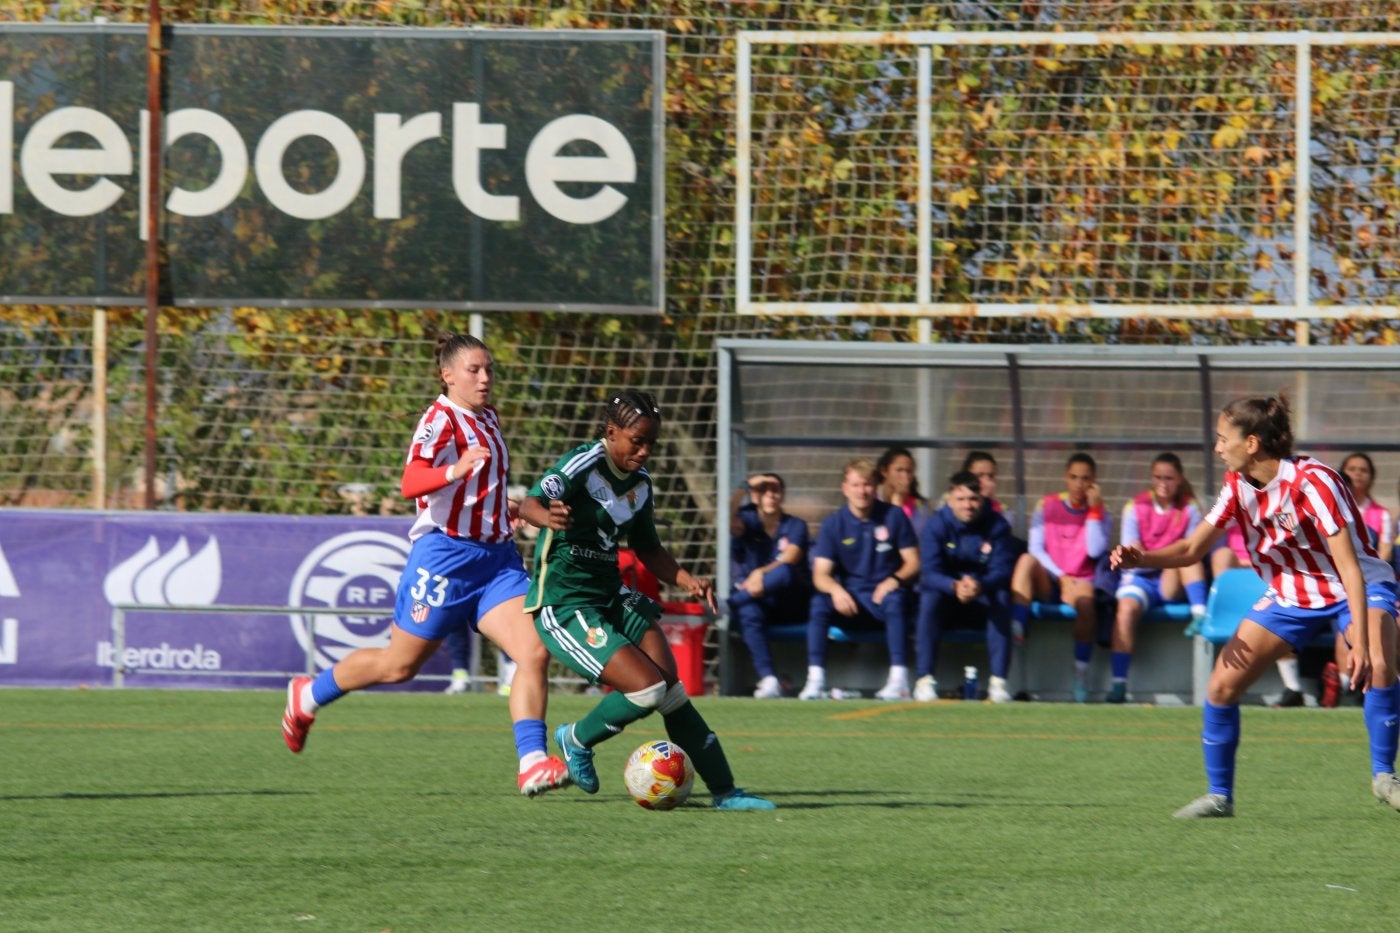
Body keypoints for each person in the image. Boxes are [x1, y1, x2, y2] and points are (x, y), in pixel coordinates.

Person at [279, 333, 569, 797]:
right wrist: (454, 471)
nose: (485, 378)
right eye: (474, 370)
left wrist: (507, 508)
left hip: (496, 560)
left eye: (489, 369)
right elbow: (411, 481)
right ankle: (307, 696)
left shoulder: (489, 418)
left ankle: (532, 762)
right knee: (398, 667)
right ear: (447, 375)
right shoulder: (439, 420)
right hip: (446, 558)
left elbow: (483, 487)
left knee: (533, 652)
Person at [1112, 394, 1400, 819]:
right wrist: (1143, 558)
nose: (1216, 448)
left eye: (1220, 438)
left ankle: (1384, 776)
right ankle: (1219, 795)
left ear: (1251, 443)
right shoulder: (1236, 486)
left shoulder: (1314, 481)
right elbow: (1193, 548)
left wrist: (1359, 638)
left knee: (1376, 661)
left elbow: (1349, 567)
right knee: (1221, 687)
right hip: (1290, 593)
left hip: (1354, 584)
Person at [519, 390, 775, 811]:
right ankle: (576, 739)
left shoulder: (641, 484)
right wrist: (546, 516)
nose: (643, 451)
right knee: (647, 689)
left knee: (671, 690)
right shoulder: (584, 462)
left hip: (610, 593)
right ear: (611, 432)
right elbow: (531, 501)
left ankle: (726, 792)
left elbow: (649, 548)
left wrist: (688, 580)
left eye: (651, 443)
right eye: (636, 441)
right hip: (565, 602)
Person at [800, 457, 921, 701]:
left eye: (866, 485)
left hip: (882, 598)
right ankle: (815, 680)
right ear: (845, 488)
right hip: (850, 601)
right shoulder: (833, 523)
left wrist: (893, 580)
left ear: (875, 486)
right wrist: (836, 590)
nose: (861, 491)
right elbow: (820, 574)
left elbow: (914, 562)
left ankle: (899, 681)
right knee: (818, 603)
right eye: (855, 485)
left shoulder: (894, 517)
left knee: (897, 600)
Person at [1107, 453, 1210, 703]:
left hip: (1170, 578)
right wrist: (1148, 557)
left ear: (1179, 479)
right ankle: (1118, 683)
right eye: (1158, 477)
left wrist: (1153, 555)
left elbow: (1190, 548)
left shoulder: (1190, 507)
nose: (1163, 482)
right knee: (1126, 610)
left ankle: (1200, 616)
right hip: (1140, 577)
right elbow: (1132, 555)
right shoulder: (1135, 506)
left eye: (1169, 477)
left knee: (1188, 555)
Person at [1009, 452, 1108, 702]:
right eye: (1074, 477)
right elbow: (1035, 548)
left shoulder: (1101, 513)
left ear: (1093, 482)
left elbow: (1095, 551)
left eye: (1085, 479)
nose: (1079, 484)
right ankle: (1017, 627)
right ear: (1065, 478)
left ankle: (1080, 674)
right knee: (1025, 561)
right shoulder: (1047, 505)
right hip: (1050, 578)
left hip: (1079, 582)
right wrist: (1060, 575)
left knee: (1087, 604)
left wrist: (1095, 510)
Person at [913, 470, 1019, 702]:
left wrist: (980, 585)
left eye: (973, 499)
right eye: (961, 499)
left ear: (982, 499)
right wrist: (953, 585)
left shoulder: (997, 526)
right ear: (950, 500)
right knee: (929, 597)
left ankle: (999, 683)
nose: (967, 505)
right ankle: (924, 680)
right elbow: (929, 572)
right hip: (948, 595)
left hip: (981, 595)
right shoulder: (936, 525)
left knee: (1001, 596)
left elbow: (1002, 570)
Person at [728, 471, 812, 698]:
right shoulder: (747, 521)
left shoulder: (795, 525)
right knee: (748, 611)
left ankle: (730, 604)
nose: (770, 495)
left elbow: (791, 557)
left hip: (789, 604)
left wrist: (760, 572)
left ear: (782, 495)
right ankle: (769, 679)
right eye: (764, 490)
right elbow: (725, 518)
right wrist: (745, 486)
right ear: (756, 496)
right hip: (756, 600)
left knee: (784, 571)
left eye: (775, 490)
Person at [877, 447, 934, 536]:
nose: (905, 476)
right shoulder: (873, 501)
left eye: (909, 471)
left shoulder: (921, 508)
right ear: (884, 471)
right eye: (899, 470)